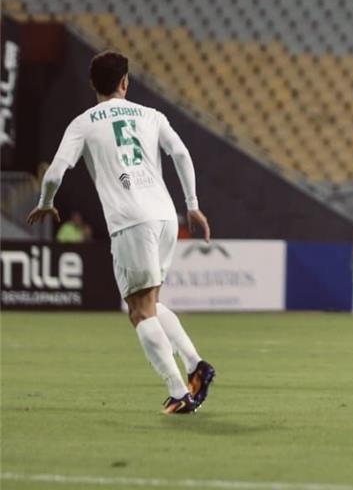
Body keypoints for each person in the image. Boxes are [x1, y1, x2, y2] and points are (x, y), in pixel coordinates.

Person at [26, 51, 217, 415]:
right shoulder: (152, 115)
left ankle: (179, 390)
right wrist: (192, 204)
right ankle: (196, 366)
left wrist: (46, 202)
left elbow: (54, 173)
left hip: (131, 220)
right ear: (125, 82)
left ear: (92, 84)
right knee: (151, 303)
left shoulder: (83, 123)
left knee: (139, 312)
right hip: (165, 216)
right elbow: (180, 153)